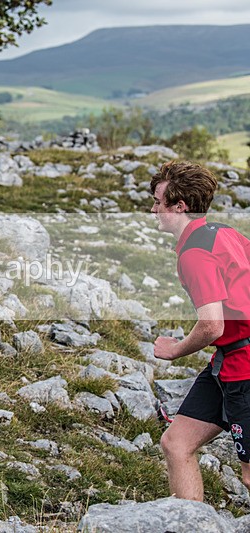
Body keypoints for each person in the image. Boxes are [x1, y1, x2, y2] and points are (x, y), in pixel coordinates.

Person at [152, 160, 250, 501]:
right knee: (176, 443)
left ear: (179, 206)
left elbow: (211, 325)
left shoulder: (194, 253)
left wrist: (175, 349)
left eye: (158, 202)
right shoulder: (224, 232)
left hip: (245, 367)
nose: (153, 209)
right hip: (228, 362)